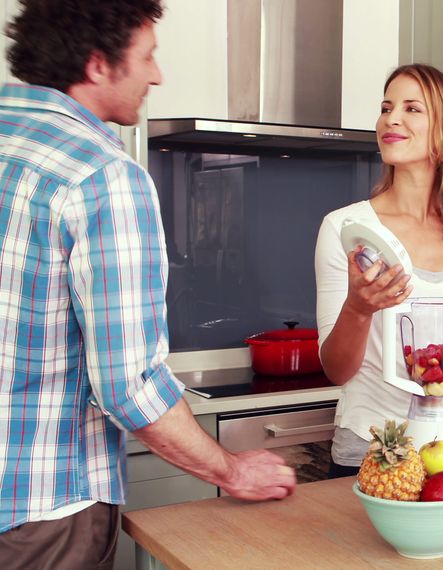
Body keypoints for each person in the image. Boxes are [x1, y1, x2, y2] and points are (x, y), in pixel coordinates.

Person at [0, 2, 295, 567]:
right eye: (148, 56)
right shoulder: (101, 176)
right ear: (96, 64)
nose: (157, 75)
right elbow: (128, 385)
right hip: (44, 512)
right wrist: (231, 469)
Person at [315, 64, 443, 477]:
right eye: (386, 107)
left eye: (411, 108)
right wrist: (358, 309)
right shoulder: (348, 230)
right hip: (372, 454)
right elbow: (336, 370)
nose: (391, 119)